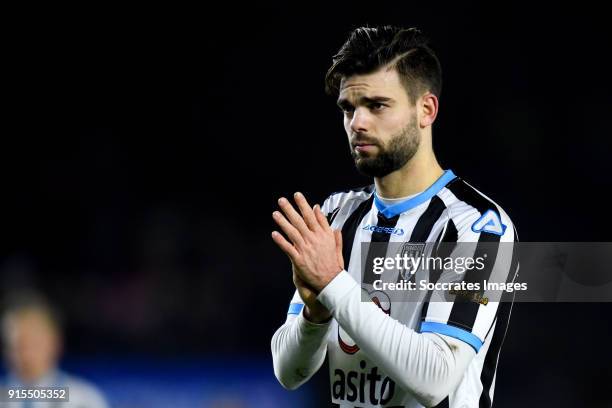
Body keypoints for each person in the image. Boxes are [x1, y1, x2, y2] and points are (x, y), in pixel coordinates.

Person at [270, 26, 518, 407]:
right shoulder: (337, 215)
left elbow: (435, 379)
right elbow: (288, 373)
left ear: (427, 110)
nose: (357, 124)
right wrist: (314, 315)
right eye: (348, 109)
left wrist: (334, 285)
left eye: (377, 105)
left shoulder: (479, 226)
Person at [1, 293, 109, 408]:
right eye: (17, 344)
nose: (25, 352)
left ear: (55, 342)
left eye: (33, 342)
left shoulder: (82, 399)